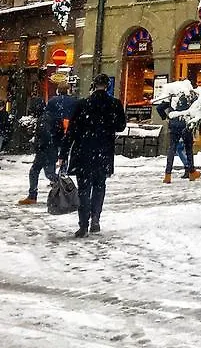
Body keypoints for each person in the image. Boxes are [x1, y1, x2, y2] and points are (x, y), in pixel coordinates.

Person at [58, 73, 126, 237]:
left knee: (83, 188)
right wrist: (107, 125)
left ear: (93, 85)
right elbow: (121, 126)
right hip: (103, 151)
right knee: (99, 186)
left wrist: (63, 153)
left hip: (83, 151)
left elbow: (72, 131)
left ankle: (83, 225)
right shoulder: (114, 104)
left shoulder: (83, 104)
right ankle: (95, 219)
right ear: (107, 86)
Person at [18, 96, 57, 206]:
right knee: (48, 173)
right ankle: (63, 191)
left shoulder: (43, 119)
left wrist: (39, 145)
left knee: (42, 173)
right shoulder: (47, 116)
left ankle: (33, 195)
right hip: (48, 150)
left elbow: (46, 135)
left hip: (45, 151)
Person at [156, 89, 201, 184]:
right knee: (188, 149)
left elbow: (159, 108)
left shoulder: (173, 96)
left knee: (172, 149)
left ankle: (167, 175)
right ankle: (192, 172)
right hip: (186, 125)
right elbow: (197, 108)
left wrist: (166, 118)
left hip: (174, 126)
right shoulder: (191, 96)